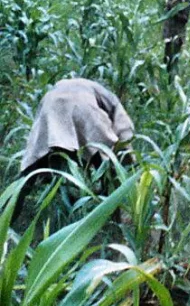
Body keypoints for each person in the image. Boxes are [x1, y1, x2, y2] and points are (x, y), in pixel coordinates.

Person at [15, 78, 135, 221]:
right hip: (83, 105)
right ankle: (114, 218)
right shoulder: (113, 101)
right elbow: (124, 133)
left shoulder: (91, 88)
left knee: (32, 166)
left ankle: (8, 214)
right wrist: (128, 159)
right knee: (106, 165)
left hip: (51, 103)